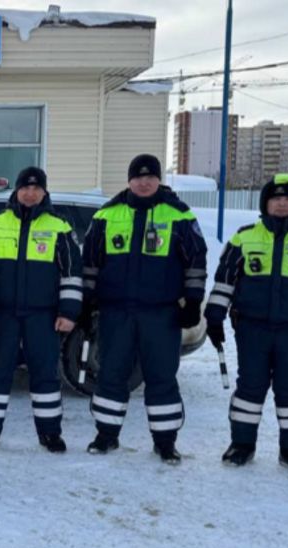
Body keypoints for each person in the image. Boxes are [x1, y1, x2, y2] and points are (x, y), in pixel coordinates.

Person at [204, 174, 288, 476]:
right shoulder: (243, 238)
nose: (281, 203)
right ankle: (242, 445)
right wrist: (213, 317)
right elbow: (224, 282)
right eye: (275, 198)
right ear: (265, 202)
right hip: (251, 328)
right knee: (250, 388)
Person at [81, 154, 208, 464]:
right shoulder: (107, 215)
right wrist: (86, 302)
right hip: (116, 312)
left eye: (150, 176)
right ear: (129, 180)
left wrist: (193, 302)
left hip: (161, 313)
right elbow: (90, 264)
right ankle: (106, 435)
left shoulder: (178, 215)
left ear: (158, 179)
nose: (144, 181)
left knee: (162, 376)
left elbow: (196, 262)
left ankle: (165, 442)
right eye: (138, 176)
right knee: (111, 373)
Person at [0, 167, 83, 453]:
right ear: (17, 190)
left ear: (44, 192)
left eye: (37, 188)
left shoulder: (60, 227)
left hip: (43, 315)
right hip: (3, 314)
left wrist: (69, 312)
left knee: (45, 373)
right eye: (26, 187)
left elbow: (72, 274)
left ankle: (50, 434)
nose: (30, 193)